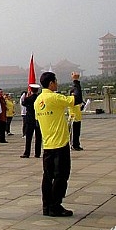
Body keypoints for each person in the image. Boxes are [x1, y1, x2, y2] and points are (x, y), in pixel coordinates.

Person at [36, 71, 83, 217]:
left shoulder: (38, 100)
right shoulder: (54, 97)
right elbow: (77, 99)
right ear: (51, 83)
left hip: (47, 145)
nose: (57, 84)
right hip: (60, 144)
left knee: (47, 176)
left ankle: (46, 206)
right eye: (55, 81)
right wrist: (76, 81)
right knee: (61, 176)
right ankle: (55, 205)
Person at [20, 86, 41, 158]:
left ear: (31, 90)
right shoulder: (39, 98)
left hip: (29, 120)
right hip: (38, 119)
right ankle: (37, 153)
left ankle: (27, 153)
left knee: (28, 138)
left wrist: (27, 96)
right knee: (38, 138)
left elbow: (23, 103)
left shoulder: (28, 99)